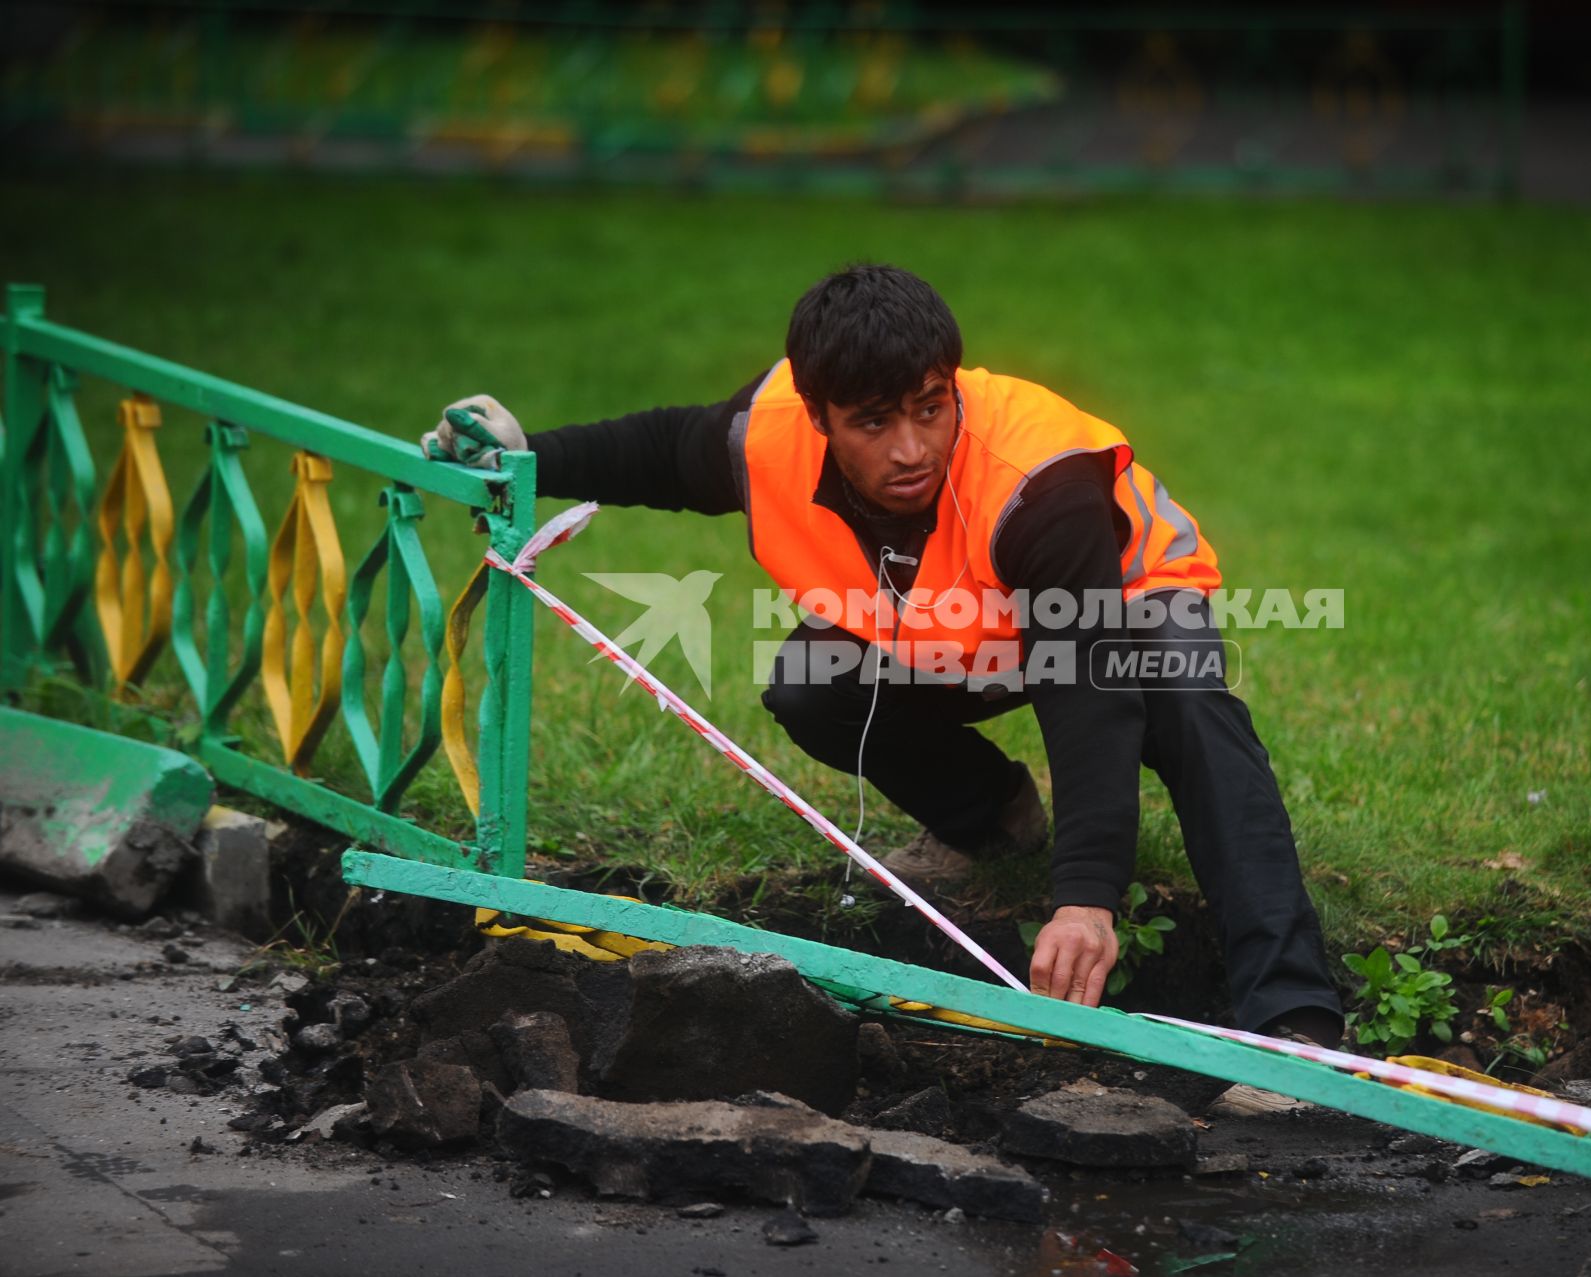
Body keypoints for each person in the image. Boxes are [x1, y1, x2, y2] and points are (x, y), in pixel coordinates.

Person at [422, 264, 1343, 1051]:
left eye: (931, 410)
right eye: (873, 423)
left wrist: (1087, 897)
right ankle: (998, 820)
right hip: (952, 622)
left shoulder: (1040, 482)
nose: (912, 448)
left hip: (1121, 609)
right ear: (819, 416)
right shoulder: (768, 429)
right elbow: (662, 452)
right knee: (810, 685)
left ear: (952, 387)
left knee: (1185, 707)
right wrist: (525, 456)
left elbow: (1085, 686)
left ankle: (1293, 1018)